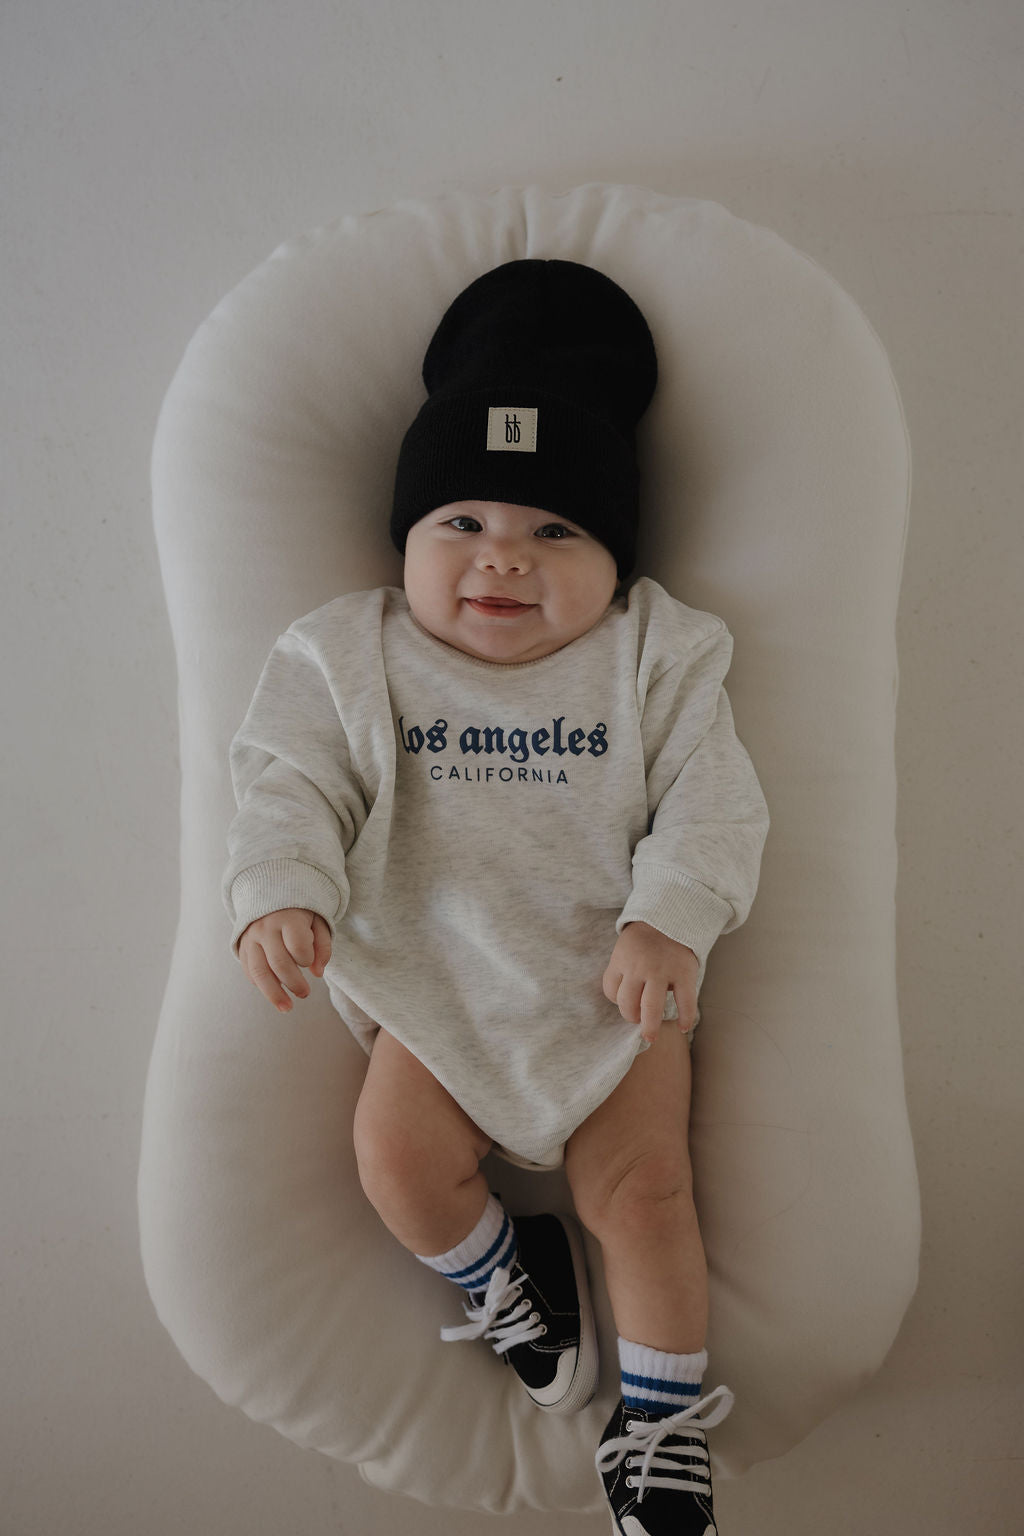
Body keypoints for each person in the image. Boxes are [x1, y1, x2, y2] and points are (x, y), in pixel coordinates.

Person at [224, 258, 768, 1534]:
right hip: (435, 980)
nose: (502, 563)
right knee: (395, 1162)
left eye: (553, 531)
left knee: (644, 1192)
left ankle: (659, 1417)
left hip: (616, 981)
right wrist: (283, 889)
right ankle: (501, 1266)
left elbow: (715, 797)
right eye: (460, 524)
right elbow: (285, 780)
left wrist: (668, 915)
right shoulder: (349, 653)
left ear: (612, 557)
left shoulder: (657, 653)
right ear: (404, 539)